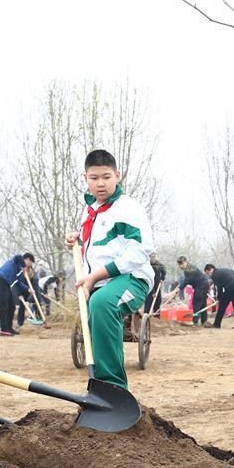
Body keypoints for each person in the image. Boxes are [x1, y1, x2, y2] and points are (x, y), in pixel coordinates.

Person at [63, 149, 153, 389]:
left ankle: (113, 389)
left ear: (117, 175)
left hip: (131, 278)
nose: (100, 184)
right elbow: (102, 246)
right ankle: (101, 387)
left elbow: (139, 251)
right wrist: (78, 239)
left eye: (106, 177)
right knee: (96, 307)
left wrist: (94, 277)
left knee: (102, 303)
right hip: (103, 282)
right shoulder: (90, 210)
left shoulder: (127, 208)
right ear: (85, 178)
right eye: (94, 178)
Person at [0, 253, 34, 336]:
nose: (30, 264)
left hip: (7, 284)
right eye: (31, 262)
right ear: (27, 259)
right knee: (4, 306)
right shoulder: (15, 261)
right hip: (0, 280)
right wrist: (24, 266)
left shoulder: (19, 270)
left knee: (12, 306)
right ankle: (3, 329)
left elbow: (19, 283)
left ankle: (9, 327)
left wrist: (28, 289)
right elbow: (18, 256)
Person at [205, 264, 234, 329]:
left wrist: (219, 299)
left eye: (207, 273)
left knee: (222, 306)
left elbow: (219, 288)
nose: (208, 275)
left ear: (210, 270)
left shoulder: (215, 275)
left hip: (230, 287)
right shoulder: (224, 270)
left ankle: (217, 324)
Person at [177, 256, 210, 326]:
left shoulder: (189, 269)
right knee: (203, 303)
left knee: (196, 303)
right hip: (204, 285)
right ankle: (204, 321)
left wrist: (179, 289)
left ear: (184, 263)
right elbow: (186, 280)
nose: (180, 266)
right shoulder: (189, 267)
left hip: (201, 286)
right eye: (179, 265)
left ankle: (195, 321)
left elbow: (187, 281)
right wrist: (179, 288)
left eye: (181, 264)